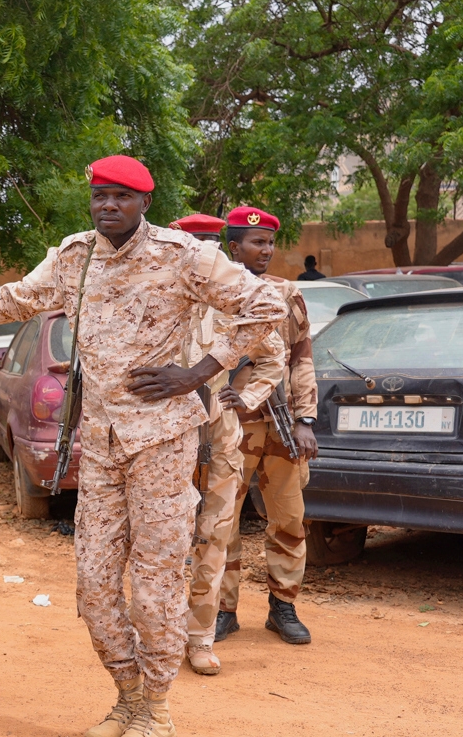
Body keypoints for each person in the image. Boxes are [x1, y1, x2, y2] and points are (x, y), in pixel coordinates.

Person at [0, 156, 286, 737]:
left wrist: (200, 371)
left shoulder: (184, 256)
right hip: (99, 444)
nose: (109, 206)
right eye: (100, 196)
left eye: (122, 198)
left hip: (162, 440)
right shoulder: (73, 258)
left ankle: (156, 708)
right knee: (95, 588)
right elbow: (14, 299)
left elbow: (267, 307)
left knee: (155, 588)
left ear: (145, 203)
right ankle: (126, 698)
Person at [170, 214, 286, 677]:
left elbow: (272, 357)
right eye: (193, 244)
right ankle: (158, 633)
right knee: (159, 539)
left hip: (219, 432)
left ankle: (199, 637)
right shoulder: (159, 294)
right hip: (164, 433)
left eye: (207, 246)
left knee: (215, 534)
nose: (202, 255)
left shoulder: (235, 296)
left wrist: (247, 398)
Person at [215, 206, 319, 648]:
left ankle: (283, 606)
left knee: (289, 519)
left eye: (271, 243)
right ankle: (222, 610)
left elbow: (301, 360)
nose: (267, 250)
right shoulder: (212, 292)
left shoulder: (287, 293)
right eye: (257, 243)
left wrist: (306, 420)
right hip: (228, 428)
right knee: (221, 522)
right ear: (233, 247)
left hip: (279, 427)